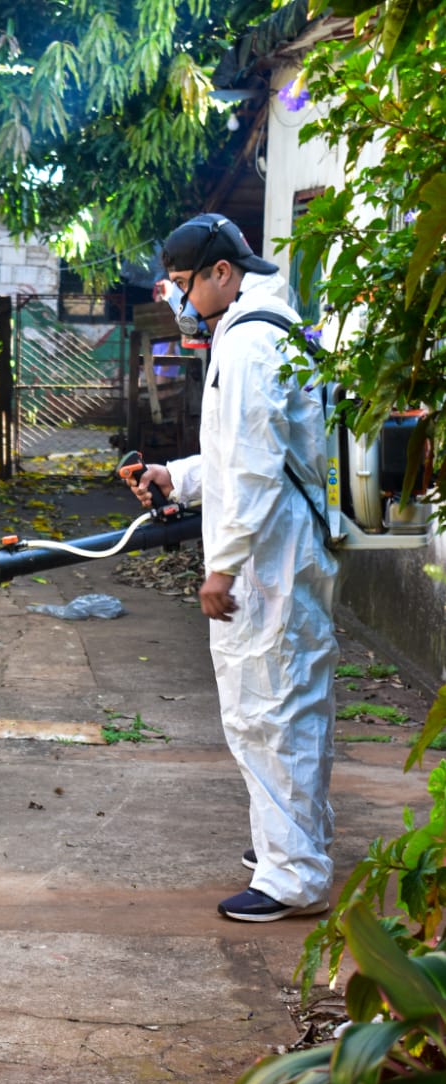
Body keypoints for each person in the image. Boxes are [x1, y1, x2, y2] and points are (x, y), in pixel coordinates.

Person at [128, 212, 338, 923]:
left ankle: (292, 878)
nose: (181, 298)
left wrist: (219, 569)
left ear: (223, 273)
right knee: (283, 707)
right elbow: (236, 456)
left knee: (268, 713)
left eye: (185, 283)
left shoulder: (248, 346)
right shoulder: (263, 331)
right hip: (277, 550)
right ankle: (286, 847)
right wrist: (174, 477)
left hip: (266, 561)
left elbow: (251, 469)